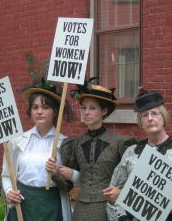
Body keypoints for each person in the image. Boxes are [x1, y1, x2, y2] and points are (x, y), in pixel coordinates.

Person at [105, 89, 172, 221]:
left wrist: (129, 195)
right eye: (145, 115)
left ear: (164, 118)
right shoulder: (131, 152)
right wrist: (122, 217)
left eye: (154, 113)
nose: (150, 118)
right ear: (140, 122)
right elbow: (114, 195)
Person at [47, 78, 138, 221]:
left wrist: (121, 192)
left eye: (92, 108)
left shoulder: (119, 142)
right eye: (84, 108)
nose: (86, 112)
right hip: (81, 209)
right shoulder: (76, 144)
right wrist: (55, 173)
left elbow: (134, 179)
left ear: (104, 111)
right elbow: (67, 186)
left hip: (107, 208)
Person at [1, 77, 73, 221]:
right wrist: (9, 191)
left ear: (54, 111)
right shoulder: (16, 141)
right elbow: (7, 176)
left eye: (45, 107)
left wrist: (58, 172)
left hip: (51, 206)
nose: (39, 111)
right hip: (22, 206)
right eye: (35, 107)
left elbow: (72, 182)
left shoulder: (66, 144)